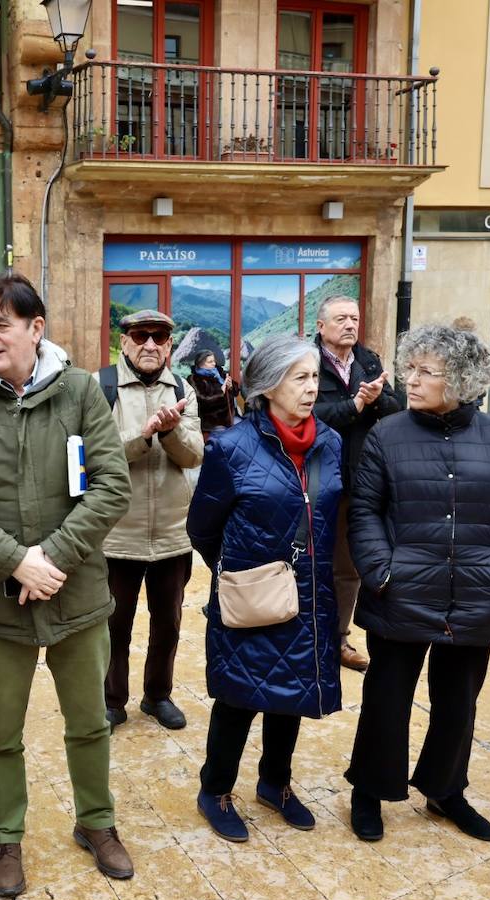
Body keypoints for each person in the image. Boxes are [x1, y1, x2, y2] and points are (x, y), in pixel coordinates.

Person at [0, 273, 133, 899]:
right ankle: (5, 837)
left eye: (1, 324)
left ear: (34, 329)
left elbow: (111, 484)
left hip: (78, 595)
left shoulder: (79, 393)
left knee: (89, 720)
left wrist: (54, 559)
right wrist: (16, 562)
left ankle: (96, 823)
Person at [344, 324, 490, 844]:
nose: (411, 379)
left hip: (479, 594)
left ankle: (446, 790)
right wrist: (381, 571)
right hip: (400, 593)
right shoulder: (388, 434)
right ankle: (370, 789)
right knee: (387, 697)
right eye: (411, 367)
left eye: (426, 371)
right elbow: (364, 512)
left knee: (458, 703)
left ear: (463, 378)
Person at [186, 335, 343, 842]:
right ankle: (215, 790)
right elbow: (202, 528)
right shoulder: (231, 448)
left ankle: (275, 783)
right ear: (268, 385)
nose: (311, 388)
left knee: (292, 690)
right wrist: (239, 573)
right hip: (250, 595)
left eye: (315, 377)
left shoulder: (329, 443)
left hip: (310, 594)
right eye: (300, 377)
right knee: (238, 697)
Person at [98, 309, 203, 732]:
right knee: (113, 624)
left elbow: (194, 453)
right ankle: (111, 700)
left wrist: (170, 431)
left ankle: (158, 695)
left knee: (169, 624)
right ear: (123, 342)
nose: (150, 345)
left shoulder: (182, 389)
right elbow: (94, 453)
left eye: (159, 337)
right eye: (140, 336)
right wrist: (143, 436)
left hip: (172, 534)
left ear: (169, 346)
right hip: (115, 533)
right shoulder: (100, 386)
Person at [311, 295, 404, 673]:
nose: (350, 324)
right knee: (308, 562)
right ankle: (308, 636)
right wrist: (354, 407)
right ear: (321, 326)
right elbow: (306, 415)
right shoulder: (307, 362)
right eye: (340, 319)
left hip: (360, 482)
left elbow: (398, 409)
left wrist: (378, 400)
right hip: (316, 480)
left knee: (347, 569)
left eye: (354, 318)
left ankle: (338, 639)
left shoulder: (369, 362)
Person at [188, 350, 235, 438]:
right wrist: (221, 391)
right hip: (211, 421)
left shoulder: (219, 373)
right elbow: (202, 400)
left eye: (214, 361)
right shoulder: (194, 379)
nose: (214, 364)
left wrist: (231, 386)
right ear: (200, 364)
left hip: (230, 416)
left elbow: (235, 391)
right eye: (210, 362)